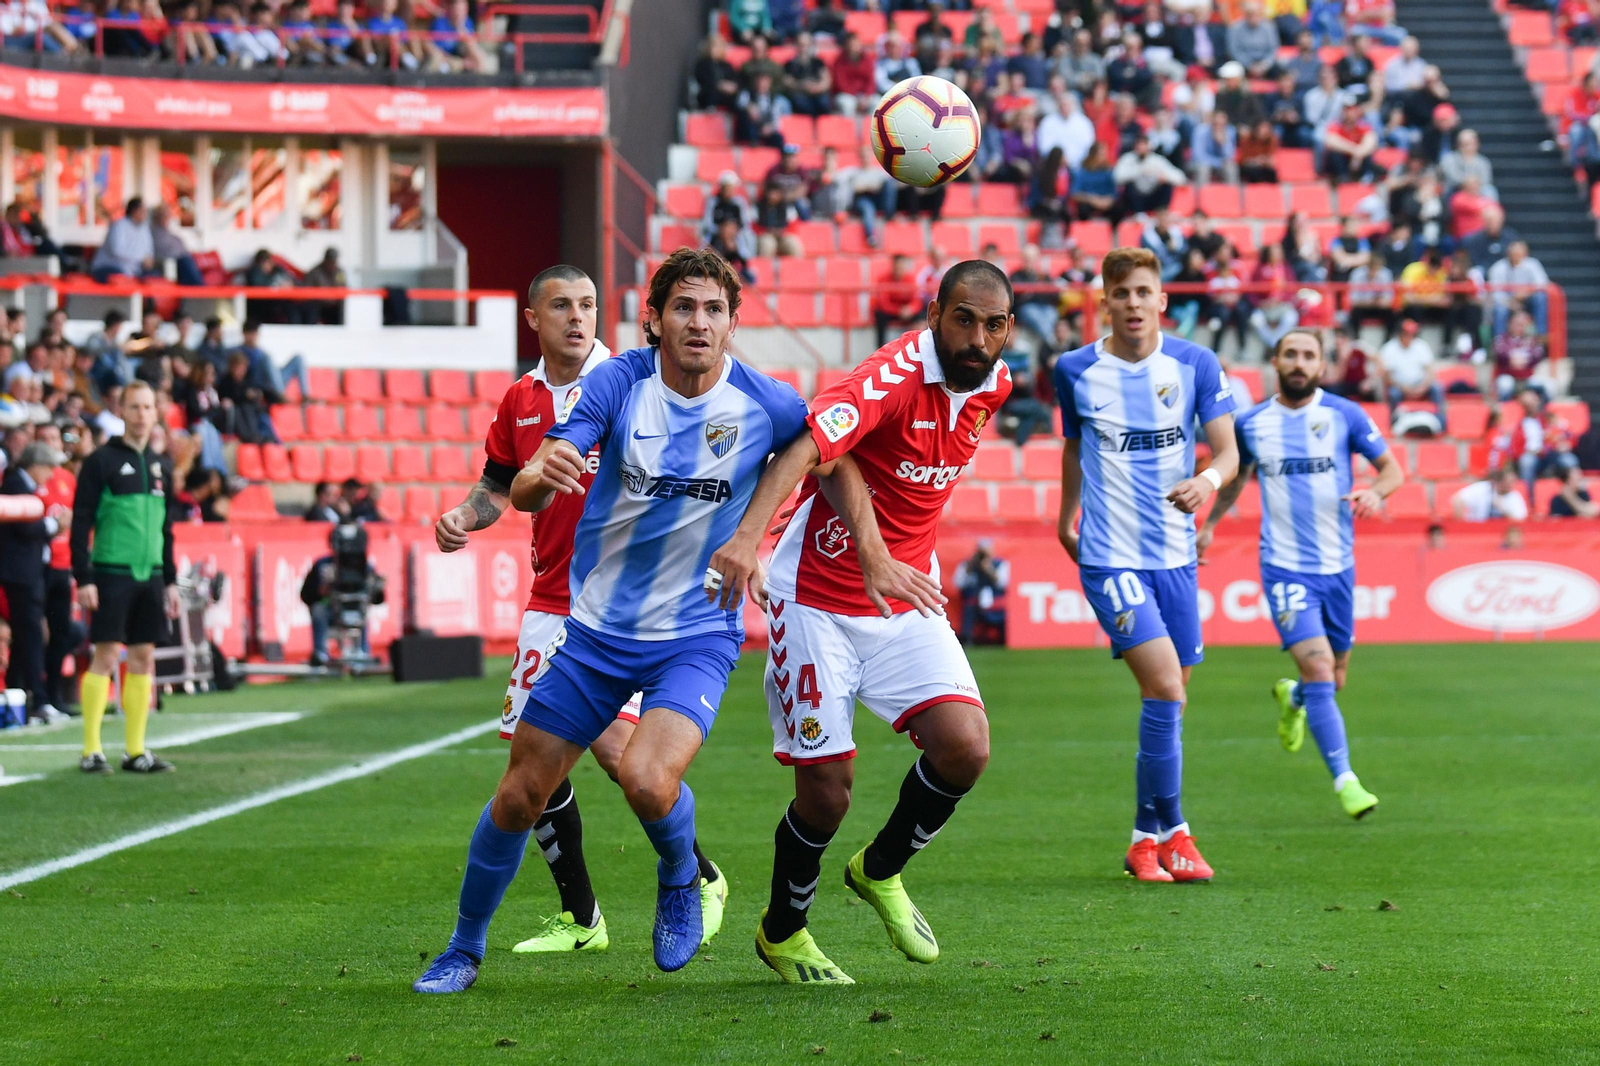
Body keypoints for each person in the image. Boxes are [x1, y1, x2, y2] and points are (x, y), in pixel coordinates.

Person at [413, 248, 810, 993]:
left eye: (714, 309)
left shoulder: (768, 401)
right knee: (519, 793)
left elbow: (819, 444)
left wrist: (754, 533)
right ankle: (463, 949)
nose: (699, 322)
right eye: (684, 308)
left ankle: (679, 873)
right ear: (654, 319)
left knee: (647, 780)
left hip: (694, 634)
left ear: (732, 322)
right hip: (593, 632)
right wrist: (541, 472)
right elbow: (532, 480)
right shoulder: (619, 382)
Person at [706, 259, 1010, 983]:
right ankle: (783, 931)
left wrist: (888, 561)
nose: (977, 337)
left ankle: (880, 870)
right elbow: (813, 449)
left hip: (905, 592)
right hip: (814, 597)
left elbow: (866, 466)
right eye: (962, 319)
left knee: (964, 748)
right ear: (933, 314)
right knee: (828, 790)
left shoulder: (991, 384)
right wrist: (749, 540)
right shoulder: (893, 373)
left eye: (993, 324)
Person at [433, 264, 727, 954]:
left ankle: (697, 874)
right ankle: (581, 916)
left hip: (628, 609)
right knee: (529, 770)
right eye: (561, 305)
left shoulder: (630, 382)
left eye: (588, 304)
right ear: (532, 317)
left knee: (625, 757)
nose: (577, 316)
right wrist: (465, 515)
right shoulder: (520, 400)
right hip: (550, 599)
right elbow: (498, 487)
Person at [1053, 247, 1239, 882]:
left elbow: (1230, 453)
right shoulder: (1074, 369)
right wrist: (1064, 517)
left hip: (1175, 556)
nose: (1132, 303)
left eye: (1143, 292)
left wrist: (1206, 481)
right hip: (1110, 556)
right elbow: (1074, 449)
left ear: (1162, 300)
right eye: (1120, 293)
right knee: (1164, 686)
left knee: (1174, 699)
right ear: (1104, 302)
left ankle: (1143, 840)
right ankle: (1179, 832)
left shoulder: (1194, 363)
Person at [1200, 330, 1400, 819]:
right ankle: (1347, 781)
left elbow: (1392, 469)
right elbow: (1235, 480)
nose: (1299, 362)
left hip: (1339, 568)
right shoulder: (1252, 424)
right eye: (1290, 354)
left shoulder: (1344, 414)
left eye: (1308, 355)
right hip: (1286, 568)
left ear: (1321, 365)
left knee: (1332, 679)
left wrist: (1377, 492)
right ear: (1275, 362)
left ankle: (1294, 698)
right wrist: (1208, 526)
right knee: (1319, 669)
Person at [70, 380, 181, 775]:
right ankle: (91, 749)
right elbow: (81, 519)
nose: (141, 415)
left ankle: (135, 751)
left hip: (149, 575)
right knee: (104, 655)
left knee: (143, 657)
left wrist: (170, 580)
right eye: (134, 407)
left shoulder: (161, 466)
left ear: (156, 413)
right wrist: (83, 577)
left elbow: (167, 529)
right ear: (121, 411)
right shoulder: (100, 461)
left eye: (147, 407)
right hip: (111, 573)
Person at [0, 441, 64, 721]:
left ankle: (20, 697)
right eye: (48, 467)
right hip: (20, 573)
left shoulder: (23, 486)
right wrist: (54, 525)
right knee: (31, 634)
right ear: (35, 464)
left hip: (25, 572)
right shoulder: (16, 484)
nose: (51, 474)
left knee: (28, 635)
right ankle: (38, 699)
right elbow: (26, 527)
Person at [34, 425, 76, 712]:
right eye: (45, 439)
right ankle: (35, 695)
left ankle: (55, 694)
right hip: (39, 566)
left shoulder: (67, 479)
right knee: (36, 631)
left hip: (63, 565)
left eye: (54, 438)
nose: (51, 443)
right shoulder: (30, 479)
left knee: (62, 631)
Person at [1377, 317, 1445, 420]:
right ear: (1400, 333)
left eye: (1412, 334)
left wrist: (1423, 386)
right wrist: (1404, 388)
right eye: (1407, 333)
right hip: (1399, 385)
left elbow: (1430, 371)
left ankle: (1441, 421)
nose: (1410, 337)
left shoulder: (1421, 345)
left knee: (1437, 388)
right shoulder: (1389, 348)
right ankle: (1394, 422)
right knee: (1393, 393)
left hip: (1420, 383)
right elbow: (1387, 377)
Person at [89, 198, 159, 283]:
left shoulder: (144, 229)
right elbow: (117, 250)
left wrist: (149, 260)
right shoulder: (119, 225)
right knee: (121, 279)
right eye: (143, 211)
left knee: (154, 278)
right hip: (108, 266)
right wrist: (141, 258)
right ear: (134, 211)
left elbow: (148, 251)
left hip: (134, 271)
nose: (145, 214)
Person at [955, 539, 1010, 645]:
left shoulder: (1000, 564)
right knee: (969, 608)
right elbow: (958, 583)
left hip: (994, 600)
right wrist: (969, 570)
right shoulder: (967, 565)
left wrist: (990, 570)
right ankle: (967, 637)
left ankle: (1002, 638)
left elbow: (1004, 583)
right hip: (973, 600)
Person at [1451, 465, 1528, 522]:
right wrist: (1462, 522)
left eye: (1512, 482)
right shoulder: (1482, 488)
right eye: (1506, 482)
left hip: (1501, 532)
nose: (1510, 485)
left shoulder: (1515, 497)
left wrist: (1504, 510)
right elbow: (1457, 499)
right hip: (1477, 527)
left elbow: (1521, 520)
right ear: (1499, 481)